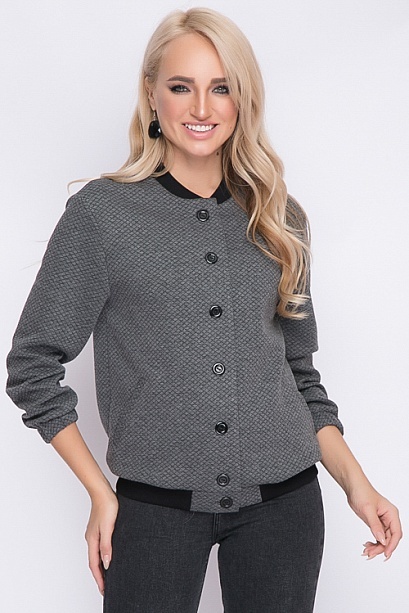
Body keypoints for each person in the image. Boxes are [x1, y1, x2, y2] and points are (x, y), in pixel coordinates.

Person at [5, 7, 402, 613]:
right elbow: (33, 365)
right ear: (151, 93)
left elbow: (300, 376)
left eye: (221, 87)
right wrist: (101, 494)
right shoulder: (102, 216)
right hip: (152, 511)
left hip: (285, 508)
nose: (201, 107)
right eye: (180, 86)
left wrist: (358, 485)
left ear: (243, 99)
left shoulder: (279, 217)